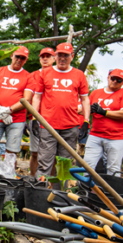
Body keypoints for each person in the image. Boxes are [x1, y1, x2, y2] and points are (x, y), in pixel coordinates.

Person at [31, 43, 90, 177]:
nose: (62, 58)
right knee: (45, 162)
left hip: (70, 126)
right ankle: (39, 193)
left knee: (65, 164)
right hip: (48, 125)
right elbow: (37, 97)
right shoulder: (45, 73)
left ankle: (60, 194)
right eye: (60, 55)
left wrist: (86, 121)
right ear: (55, 56)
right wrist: (35, 118)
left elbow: (85, 99)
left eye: (66, 55)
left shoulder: (79, 74)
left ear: (72, 56)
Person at [0, 47, 34, 177]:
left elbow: (26, 99)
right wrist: (0, 109)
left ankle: (7, 180)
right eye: (17, 56)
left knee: (11, 153)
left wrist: (9, 110)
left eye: (23, 58)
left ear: (25, 60)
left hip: (16, 119)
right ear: (11, 56)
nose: (19, 60)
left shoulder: (28, 76)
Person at [84, 69, 123, 176]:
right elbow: (82, 109)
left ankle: (111, 192)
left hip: (117, 137)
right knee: (87, 165)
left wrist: (104, 112)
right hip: (95, 135)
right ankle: (86, 190)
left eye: (119, 80)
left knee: (113, 168)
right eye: (113, 78)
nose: (115, 81)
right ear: (108, 77)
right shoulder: (96, 93)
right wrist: (89, 110)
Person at [28, 47, 55, 177]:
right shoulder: (32, 75)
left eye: (48, 56)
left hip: (52, 119)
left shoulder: (58, 75)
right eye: (42, 56)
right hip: (35, 118)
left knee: (53, 154)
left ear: (54, 59)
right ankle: (34, 179)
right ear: (39, 59)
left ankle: (52, 184)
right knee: (35, 152)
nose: (45, 58)